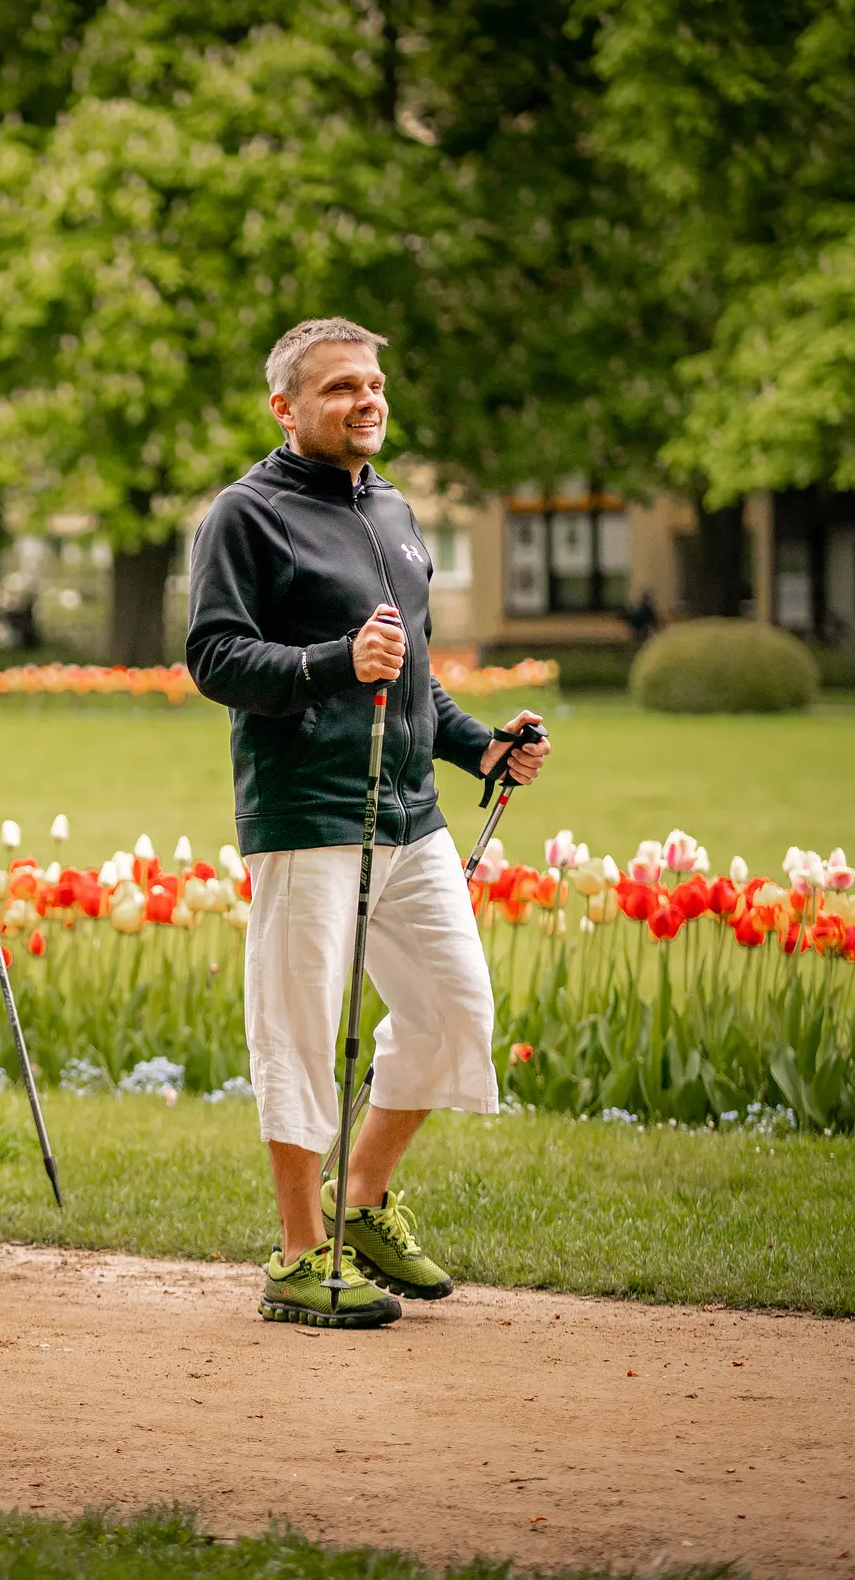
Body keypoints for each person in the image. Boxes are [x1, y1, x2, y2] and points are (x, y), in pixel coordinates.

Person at [184, 316, 552, 1330]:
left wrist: (482, 746)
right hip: (306, 815)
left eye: (375, 382)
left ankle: (360, 1199)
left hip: (411, 814)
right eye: (341, 385)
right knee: (299, 1032)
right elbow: (215, 658)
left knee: (452, 1011)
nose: (367, 399)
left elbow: (413, 675)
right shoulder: (243, 517)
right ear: (286, 407)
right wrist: (329, 661)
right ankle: (298, 1255)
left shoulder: (390, 508)